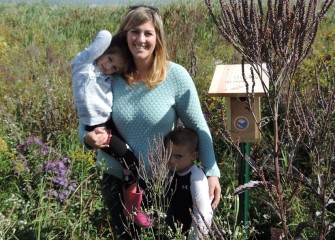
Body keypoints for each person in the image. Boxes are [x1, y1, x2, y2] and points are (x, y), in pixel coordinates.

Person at [81, 5, 221, 239]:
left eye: (148, 33)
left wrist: (212, 171)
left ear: (158, 38)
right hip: (118, 180)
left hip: (163, 181)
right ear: (124, 35)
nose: (141, 39)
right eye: (134, 31)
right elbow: (87, 121)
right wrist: (87, 138)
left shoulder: (175, 76)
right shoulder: (109, 76)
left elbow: (198, 127)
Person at [71, 29, 151, 228]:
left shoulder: (107, 76)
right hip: (98, 128)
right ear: (102, 51)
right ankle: (132, 209)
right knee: (132, 164)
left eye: (114, 67)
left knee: (129, 164)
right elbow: (105, 35)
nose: (108, 66)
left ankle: (131, 203)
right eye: (109, 58)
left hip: (107, 123)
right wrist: (117, 40)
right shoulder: (83, 63)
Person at [164, 127, 213, 239]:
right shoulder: (171, 173)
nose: (171, 161)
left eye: (178, 156)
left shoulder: (196, 177)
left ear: (193, 156)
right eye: (168, 154)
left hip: (191, 234)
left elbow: (202, 213)